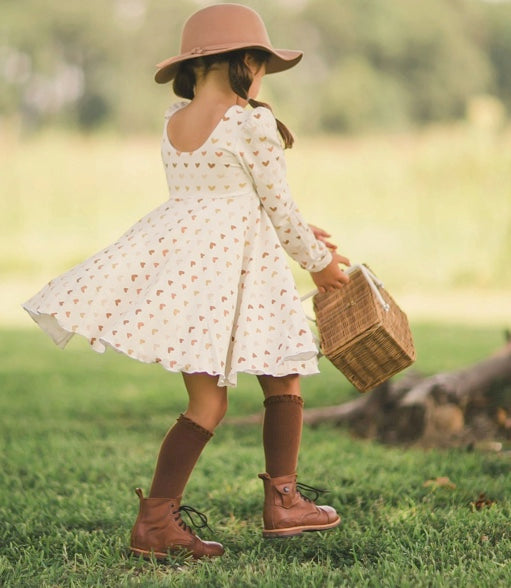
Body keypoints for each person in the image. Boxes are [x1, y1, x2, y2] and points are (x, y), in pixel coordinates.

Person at [22, 3, 350, 559]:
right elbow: (279, 205)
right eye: (263, 63)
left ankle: (156, 522)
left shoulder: (174, 123)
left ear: (194, 68)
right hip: (241, 272)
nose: (264, 74)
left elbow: (231, 197)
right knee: (284, 375)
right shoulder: (252, 122)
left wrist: (288, 228)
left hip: (192, 275)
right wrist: (319, 262)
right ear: (245, 61)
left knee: (208, 403)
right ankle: (284, 501)